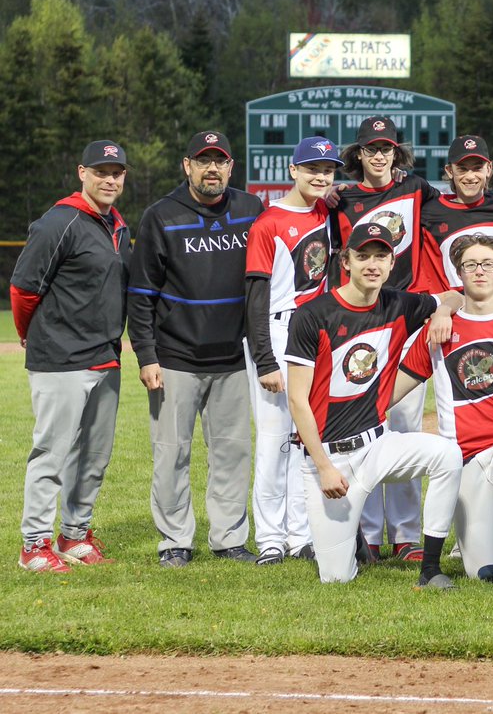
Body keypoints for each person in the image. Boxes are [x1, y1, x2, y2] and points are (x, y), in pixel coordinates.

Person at [284, 222, 464, 586]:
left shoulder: (397, 302)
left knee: (448, 455)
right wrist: (323, 468)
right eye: (362, 256)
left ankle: (430, 567)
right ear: (345, 261)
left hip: (378, 443)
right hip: (331, 460)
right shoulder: (312, 315)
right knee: (336, 578)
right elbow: (296, 399)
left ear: (392, 261)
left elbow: (455, 296)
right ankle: (354, 541)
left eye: (380, 256)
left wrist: (442, 312)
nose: (372, 264)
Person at [127, 130, 263, 568]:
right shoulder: (161, 215)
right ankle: (175, 541)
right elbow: (141, 293)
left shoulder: (249, 209)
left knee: (233, 451)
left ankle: (228, 538)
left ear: (230, 167)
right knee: (172, 453)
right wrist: (146, 355)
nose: (212, 169)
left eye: (219, 161)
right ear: (187, 166)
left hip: (232, 358)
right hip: (176, 357)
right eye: (203, 161)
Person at [399, 234, 493, 592]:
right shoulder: (439, 330)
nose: (479, 271)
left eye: (488, 264)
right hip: (466, 459)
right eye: (470, 264)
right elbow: (394, 389)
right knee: (480, 569)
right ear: (459, 273)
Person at [11, 140, 132, 572]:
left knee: (94, 457)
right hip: (60, 359)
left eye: (117, 172)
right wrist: (32, 335)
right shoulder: (58, 222)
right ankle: (34, 545)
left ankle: (74, 534)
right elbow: (24, 290)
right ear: (82, 172)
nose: (110, 179)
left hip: (105, 357)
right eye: (101, 171)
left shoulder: (117, 225)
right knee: (52, 453)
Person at [333, 116, 442, 562]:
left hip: (402, 316)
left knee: (403, 427)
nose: (379, 156)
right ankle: (367, 533)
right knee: (360, 427)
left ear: (396, 153)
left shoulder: (415, 188)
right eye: (371, 149)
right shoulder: (340, 200)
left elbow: (467, 202)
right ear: (358, 154)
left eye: (387, 148)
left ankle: (406, 534)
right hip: (357, 321)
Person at [244, 135, 338, 565]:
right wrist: (265, 359)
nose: (321, 176)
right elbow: (256, 296)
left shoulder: (324, 211)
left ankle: (301, 534)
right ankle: (270, 537)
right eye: (312, 169)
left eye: (328, 170)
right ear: (293, 170)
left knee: (305, 437)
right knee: (273, 439)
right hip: (276, 330)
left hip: (310, 334)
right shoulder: (270, 222)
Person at [414, 134, 493, 308]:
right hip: (453, 319)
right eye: (462, 169)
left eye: (477, 168)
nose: (470, 176)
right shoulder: (430, 212)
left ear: (488, 169)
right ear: (449, 171)